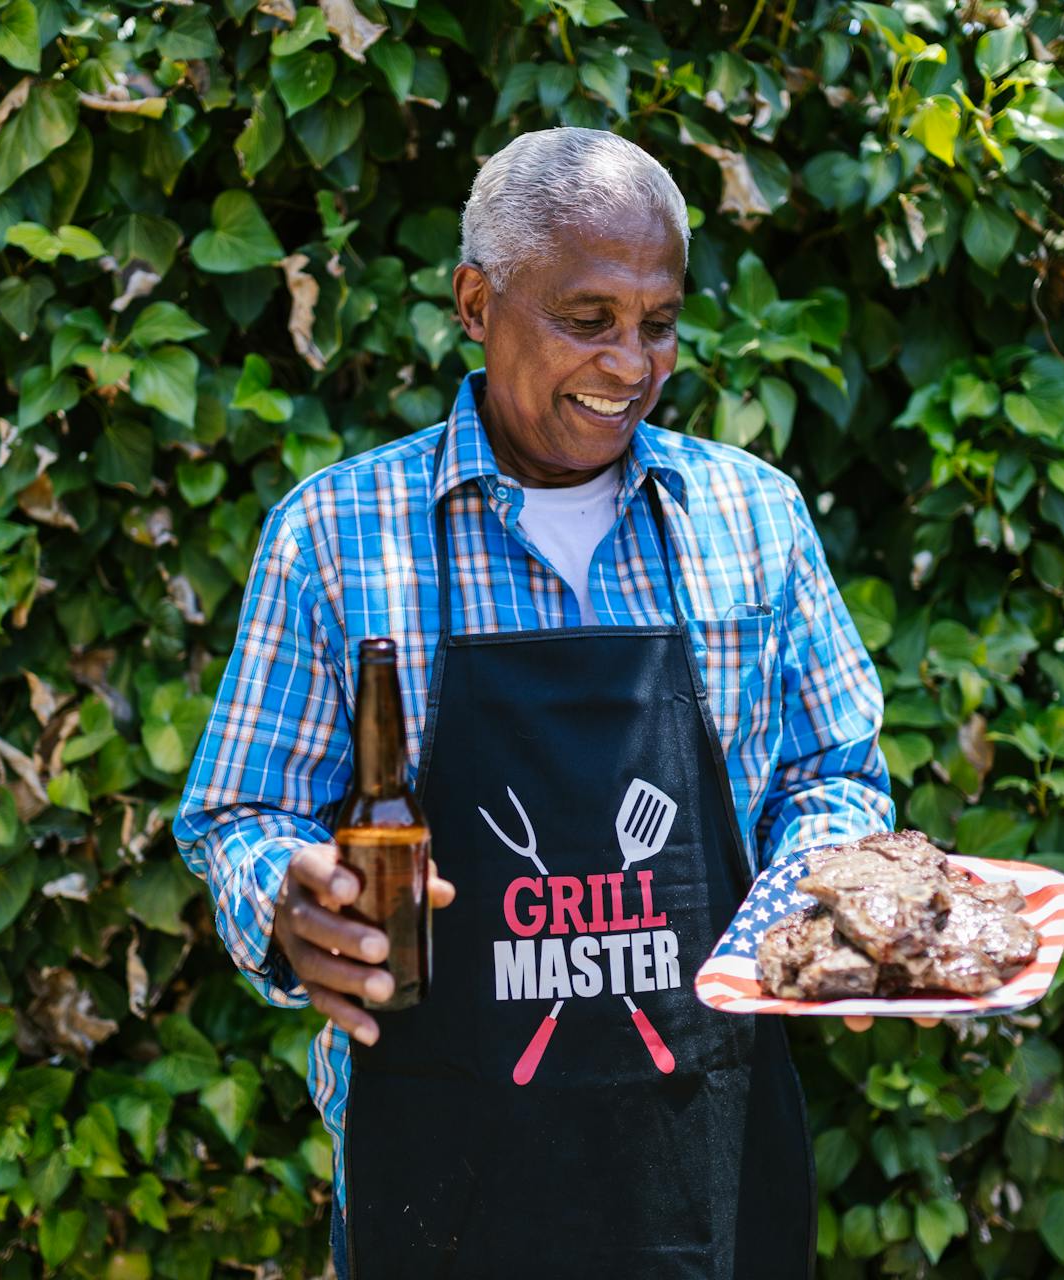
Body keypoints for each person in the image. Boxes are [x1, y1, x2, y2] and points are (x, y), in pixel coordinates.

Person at [173, 126, 895, 1278]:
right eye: (588, 319)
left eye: (658, 324)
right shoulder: (338, 534)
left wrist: (829, 908)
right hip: (447, 1185)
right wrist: (286, 903)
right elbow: (239, 816)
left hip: (706, 1171)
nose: (630, 365)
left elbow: (835, 775)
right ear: (475, 300)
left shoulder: (752, 517)